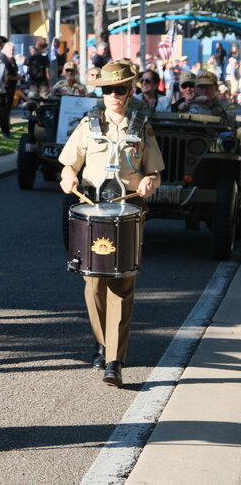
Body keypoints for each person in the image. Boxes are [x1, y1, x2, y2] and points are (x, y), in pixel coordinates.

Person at [58, 60, 163, 387]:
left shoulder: (141, 126)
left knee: (121, 284)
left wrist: (150, 182)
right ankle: (102, 342)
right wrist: (68, 177)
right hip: (91, 212)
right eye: (108, 90)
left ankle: (114, 360)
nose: (114, 95)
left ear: (131, 90)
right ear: (101, 92)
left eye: (120, 89)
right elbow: (67, 165)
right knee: (93, 285)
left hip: (127, 212)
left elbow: (155, 171)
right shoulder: (88, 124)